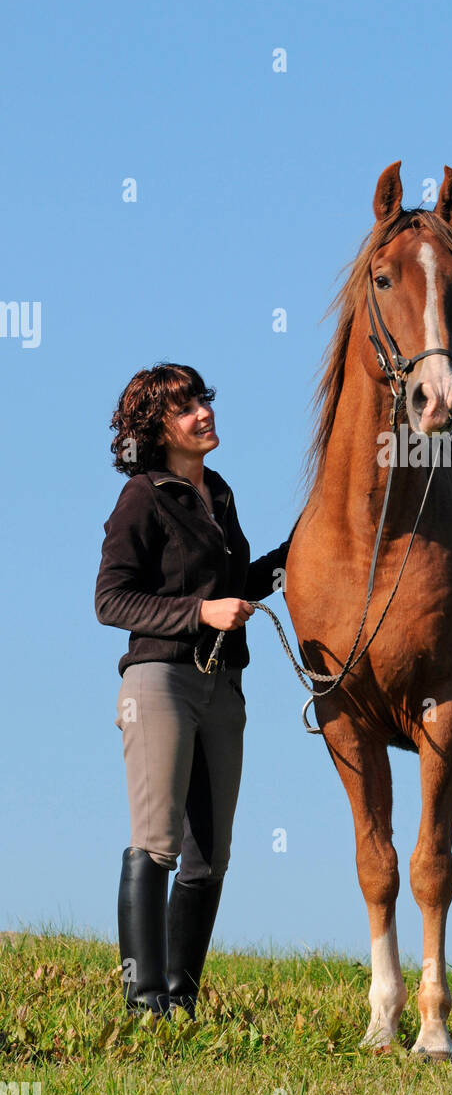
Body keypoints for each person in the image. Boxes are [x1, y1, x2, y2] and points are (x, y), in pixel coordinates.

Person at [95, 362, 291, 1019]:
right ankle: (141, 1002)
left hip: (224, 687)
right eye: (185, 408)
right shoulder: (141, 498)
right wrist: (198, 613)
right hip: (159, 683)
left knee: (211, 856)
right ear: (157, 429)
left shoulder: (221, 494)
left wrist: (300, 553)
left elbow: (238, 584)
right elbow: (110, 600)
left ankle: (179, 999)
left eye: (202, 400)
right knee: (157, 841)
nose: (202, 413)